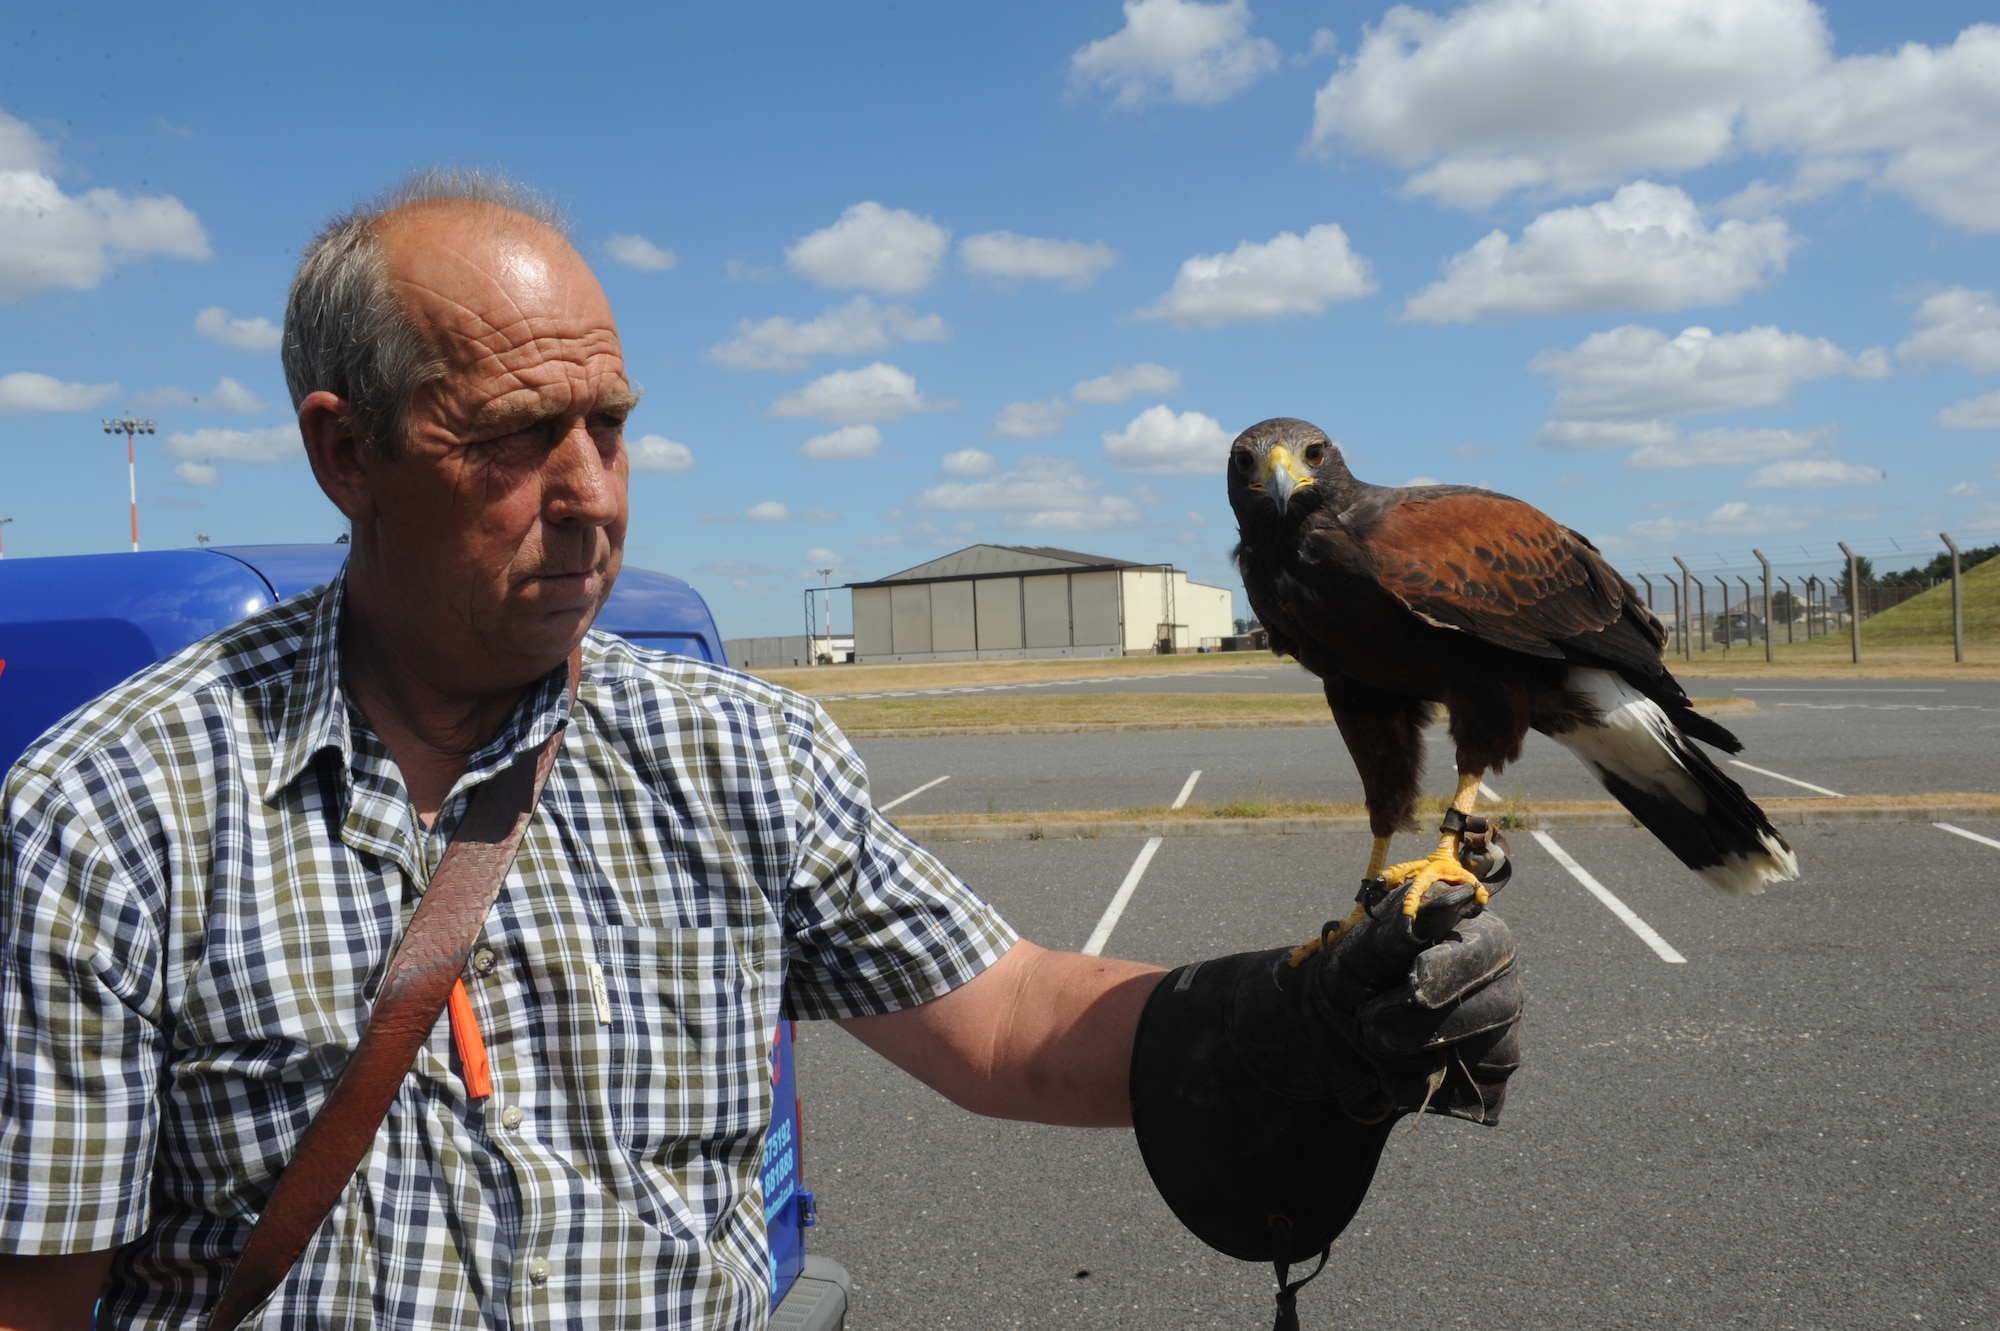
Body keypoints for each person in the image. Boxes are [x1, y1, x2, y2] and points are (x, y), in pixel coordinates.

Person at [0, 173, 1522, 1330]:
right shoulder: (112, 814)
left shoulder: (744, 758)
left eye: (611, 424)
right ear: (347, 454)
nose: (592, 490)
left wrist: (1294, 1016)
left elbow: (1003, 1022)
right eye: (521, 436)